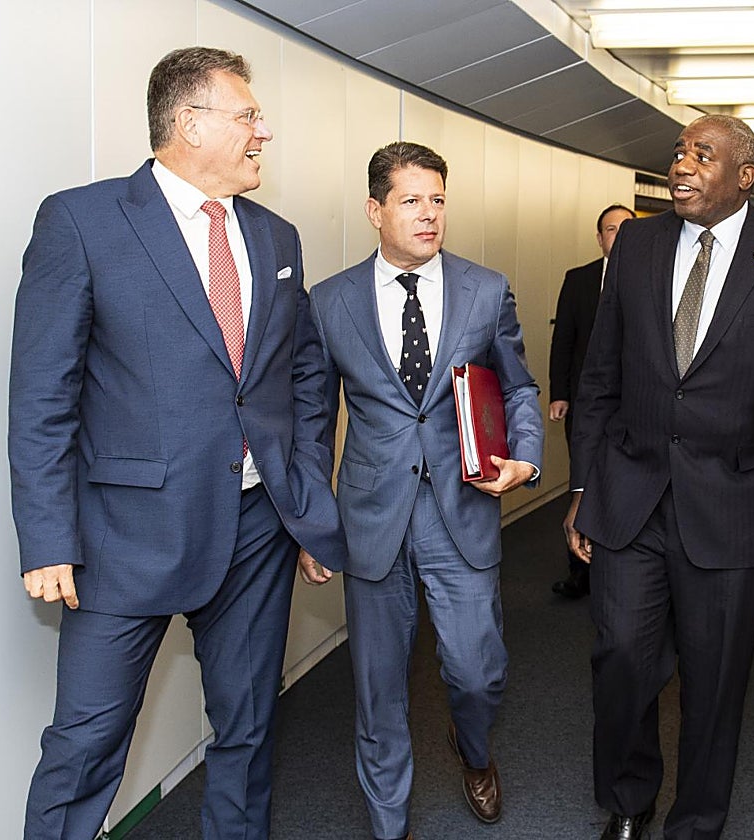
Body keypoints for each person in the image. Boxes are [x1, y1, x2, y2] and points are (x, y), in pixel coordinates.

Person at [8, 46, 344, 839]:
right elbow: (42, 396)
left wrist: (304, 508)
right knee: (85, 744)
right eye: (249, 116)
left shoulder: (277, 237)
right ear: (190, 123)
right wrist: (47, 538)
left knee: (249, 726)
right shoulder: (82, 221)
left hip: (258, 526)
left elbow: (297, 384)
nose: (265, 132)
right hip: (125, 536)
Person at [564, 114, 754, 840]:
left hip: (734, 507)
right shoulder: (637, 243)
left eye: (703, 155)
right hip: (631, 496)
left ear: (745, 176)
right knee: (622, 657)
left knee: (715, 682)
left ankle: (696, 824)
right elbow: (599, 378)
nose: (681, 166)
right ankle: (629, 802)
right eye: (679, 153)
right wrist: (583, 492)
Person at [302, 141, 543, 840]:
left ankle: (472, 749)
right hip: (370, 517)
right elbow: (315, 421)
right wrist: (317, 526)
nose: (429, 214)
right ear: (376, 211)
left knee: (477, 672)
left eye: (437, 199)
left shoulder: (485, 290)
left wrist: (525, 458)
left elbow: (519, 386)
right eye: (411, 200)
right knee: (378, 688)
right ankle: (389, 823)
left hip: (460, 509)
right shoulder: (329, 302)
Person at [548, 203, 636, 599]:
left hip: (634, 405)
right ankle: (578, 569)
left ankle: (622, 566)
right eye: (611, 229)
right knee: (582, 481)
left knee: (625, 483)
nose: (617, 236)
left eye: (625, 229)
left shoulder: (657, 279)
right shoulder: (579, 280)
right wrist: (560, 393)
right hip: (586, 403)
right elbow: (563, 339)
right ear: (600, 238)